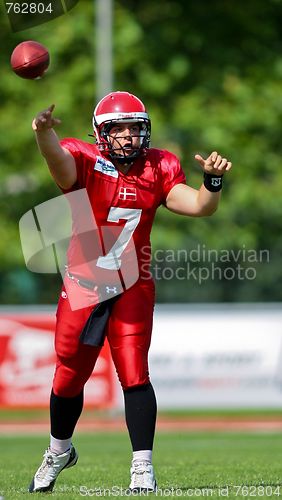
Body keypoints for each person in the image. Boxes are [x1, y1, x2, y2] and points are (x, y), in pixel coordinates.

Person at [28, 91, 232, 494]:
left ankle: (142, 465)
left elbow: (200, 206)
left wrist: (214, 180)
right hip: (85, 283)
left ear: (146, 131)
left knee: (135, 374)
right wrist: (43, 133)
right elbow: (57, 160)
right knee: (69, 374)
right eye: (117, 129)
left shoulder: (159, 167)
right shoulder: (83, 159)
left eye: (134, 128)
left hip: (132, 283)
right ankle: (58, 450)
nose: (127, 136)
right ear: (101, 135)